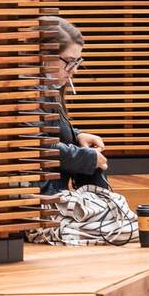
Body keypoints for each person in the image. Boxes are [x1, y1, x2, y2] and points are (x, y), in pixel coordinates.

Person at [42, 16, 109, 194]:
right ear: (45, 55)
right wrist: (87, 158)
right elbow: (34, 145)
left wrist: (77, 135)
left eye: (77, 61)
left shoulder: (48, 88)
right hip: (39, 204)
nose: (75, 69)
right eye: (70, 61)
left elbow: (46, 131)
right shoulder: (26, 91)